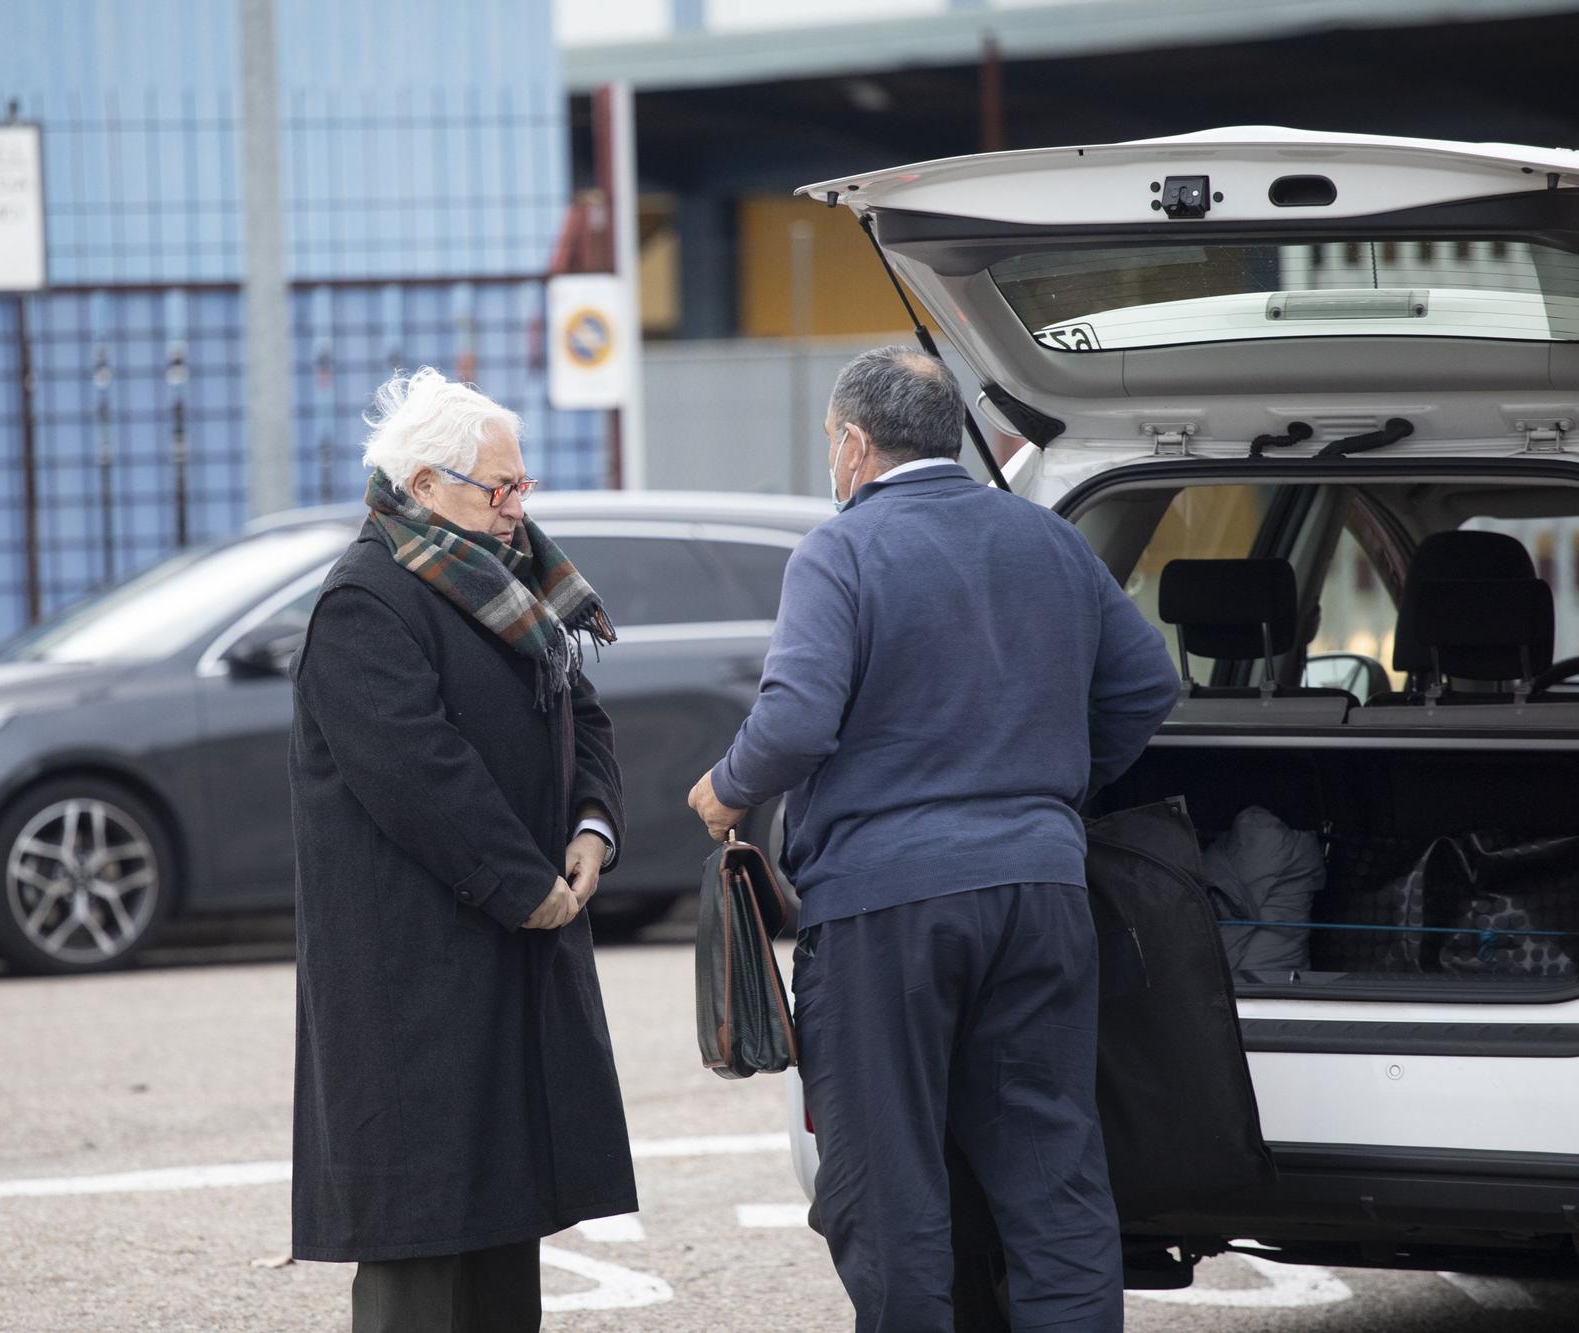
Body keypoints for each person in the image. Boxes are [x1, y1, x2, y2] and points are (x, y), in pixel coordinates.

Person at [687, 347, 1179, 1332]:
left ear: (856, 445)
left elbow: (794, 721)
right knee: (1051, 1182)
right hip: (1040, 891)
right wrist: (1048, 793)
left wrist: (723, 789)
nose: (831, 461)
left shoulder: (843, 549)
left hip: (884, 908)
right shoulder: (1044, 540)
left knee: (887, 1190)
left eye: (830, 442)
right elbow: (1143, 688)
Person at [288, 367, 638, 1332]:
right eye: (502, 488)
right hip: (415, 984)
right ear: (427, 485)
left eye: (523, 485)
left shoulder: (508, 580)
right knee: (423, 1245)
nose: (519, 507)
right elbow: (419, 774)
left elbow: (584, 716)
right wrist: (524, 885)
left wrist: (590, 826)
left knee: (502, 1229)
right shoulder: (365, 601)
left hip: (505, 952)